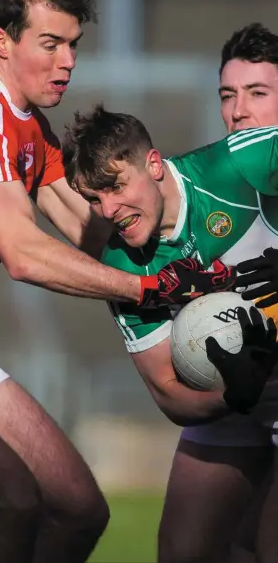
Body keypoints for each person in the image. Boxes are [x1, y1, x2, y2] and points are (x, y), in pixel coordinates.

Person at [0, 0, 235, 562]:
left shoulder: (34, 130)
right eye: (49, 44)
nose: (67, 61)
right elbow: (24, 253)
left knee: (79, 509)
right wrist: (149, 288)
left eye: (72, 44)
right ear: (2, 41)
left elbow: (89, 230)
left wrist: (198, 243)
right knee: (13, 500)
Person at [61, 103, 278, 563]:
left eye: (116, 187)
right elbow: (168, 393)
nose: (110, 210)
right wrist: (232, 396)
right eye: (95, 199)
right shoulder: (122, 268)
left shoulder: (236, 163)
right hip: (238, 396)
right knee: (182, 551)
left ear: (154, 164)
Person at [156, 22, 278, 563]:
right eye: (229, 95)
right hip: (236, 390)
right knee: (184, 552)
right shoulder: (207, 186)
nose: (239, 111)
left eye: (258, 93)